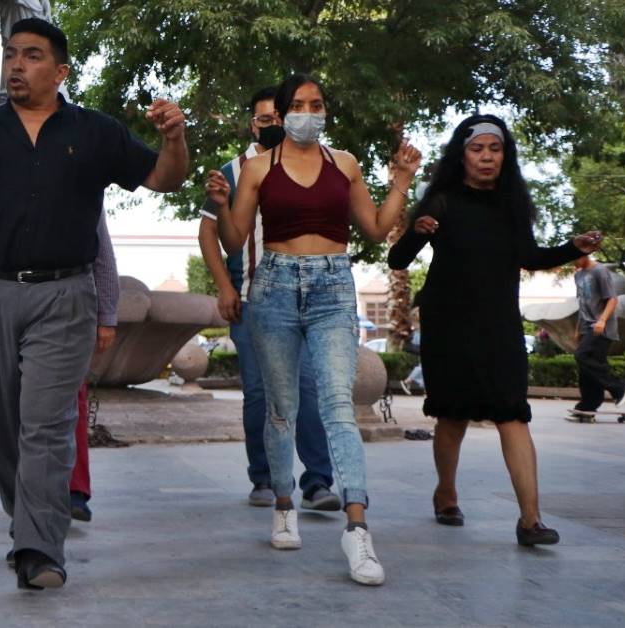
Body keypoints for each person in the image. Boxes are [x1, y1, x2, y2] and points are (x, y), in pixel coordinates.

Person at [0, 17, 187, 590]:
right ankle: (26, 521)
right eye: (11, 54)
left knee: (47, 425)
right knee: (5, 423)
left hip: (65, 294)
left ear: (61, 70)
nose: (18, 65)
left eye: (33, 56)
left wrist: (174, 137)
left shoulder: (95, 131)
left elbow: (164, 180)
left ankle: (40, 548)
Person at [209, 72, 421, 586]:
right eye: (300, 105)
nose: (310, 112)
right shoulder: (258, 168)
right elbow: (235, 240)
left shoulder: (343, 163)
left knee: (337, 409)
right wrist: (220, 205)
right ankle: (284, 504)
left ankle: (357, 527)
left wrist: (401, 183)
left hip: (332, 286)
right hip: (274, 286)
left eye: (317, 103)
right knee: (281, 409)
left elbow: (373, 228)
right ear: (282, 115)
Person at [387, 113, 602, 547]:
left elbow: (528, 256)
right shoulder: (442, 199)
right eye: (477, 148)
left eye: (495, 148)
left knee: (513, 413)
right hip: (449, 324)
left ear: (505, 155)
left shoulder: (512, 204)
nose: (486, 157)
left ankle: (530, 520)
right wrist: (417, 231)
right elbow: (398, 260)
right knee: (452, 415)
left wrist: (570, 248)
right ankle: (446, 492)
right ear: (462, 155)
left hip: (499, 324)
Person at [198, 86, 338, 511]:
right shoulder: (234, 169)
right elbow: (208, 233)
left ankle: (317, 483)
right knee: (259, 393)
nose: (273, 126)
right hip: (252, 298)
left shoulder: (317, 161)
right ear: (251, 124)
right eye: (264, 120)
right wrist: (224, 287)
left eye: (279, 117)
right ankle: (263, 478)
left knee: (310, 388)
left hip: (310, 298)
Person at [69, 212, 120, 523]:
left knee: (73, 403)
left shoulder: (82, 176)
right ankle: (26, 492)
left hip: (71, 305)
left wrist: (107, 315)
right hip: (13, 301)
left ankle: (75, 490)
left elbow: (103, 255)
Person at [573, 255, 625, 411]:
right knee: (587, 366)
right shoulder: (578, 274)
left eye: (575, 258)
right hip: (586, 326)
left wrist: (602, 321)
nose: (574, 262)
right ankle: (589, 403)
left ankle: (619, 387)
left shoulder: (600, 271)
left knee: (582, 355)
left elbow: (612, 299)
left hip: (602, 326)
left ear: (584, 254)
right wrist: (578, 329)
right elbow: (582, 302)